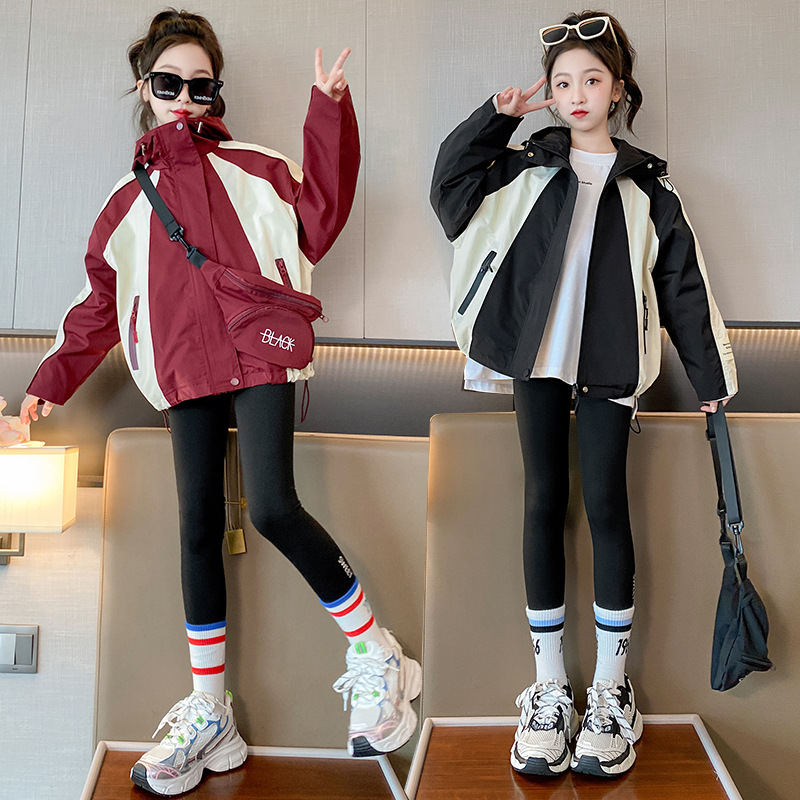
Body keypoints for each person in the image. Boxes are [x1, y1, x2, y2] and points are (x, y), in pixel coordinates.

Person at [21, 9, 420, 796]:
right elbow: (98, 305)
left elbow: (319, 218)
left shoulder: (255, 166)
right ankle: (212, 712)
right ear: (144, 87)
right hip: (180, 369)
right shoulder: (124, 204)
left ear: (215, 92)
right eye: (169, 83)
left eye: (200, 86)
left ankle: (377, 651)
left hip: (260, 352)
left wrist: (329, 109)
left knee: (272, 508)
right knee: (196, 528)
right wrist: (48, 380)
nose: (184, 98)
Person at [430, 11, 736, 779]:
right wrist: (495, 118)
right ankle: (549, 688)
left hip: (610, 360)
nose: (575, 93)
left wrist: (709, 381)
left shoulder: (649, 187)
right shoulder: (524, 167)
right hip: (534, 357)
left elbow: (684, 287)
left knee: (605, 504)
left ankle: (609, 689)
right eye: (562, 81)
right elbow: (449, 194)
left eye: (590, 79)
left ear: (617, 89)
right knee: (542, 502)